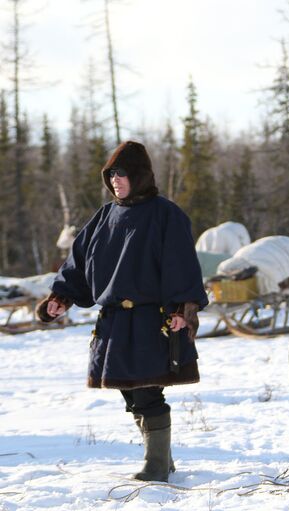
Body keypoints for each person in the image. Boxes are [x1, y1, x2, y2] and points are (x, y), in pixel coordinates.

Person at [35, 141, 208, 482]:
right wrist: (61, 297)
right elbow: (78, 262)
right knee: (129, 393)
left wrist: (180, 309)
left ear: (140, 176)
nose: (116, 180)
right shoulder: (104, 216)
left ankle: (157, 466)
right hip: (114, 321)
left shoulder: (165, 214)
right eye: (112, 174)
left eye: (123, 173)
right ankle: (163, 460)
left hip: (151, 319)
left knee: (146, 391)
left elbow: (181, 264)